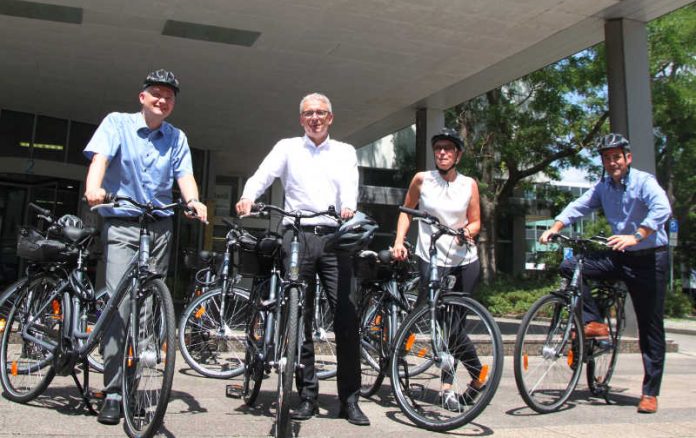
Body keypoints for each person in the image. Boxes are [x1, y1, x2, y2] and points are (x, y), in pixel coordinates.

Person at [235, 92, 368, 426]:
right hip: (296, 233)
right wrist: (248, 196)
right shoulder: (287, 147)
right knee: (299, 314)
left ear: (331, 118)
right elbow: (263, 174)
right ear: (301, 119)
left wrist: (348, 205)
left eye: (321, 113)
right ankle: (306, 395)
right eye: (308, 113)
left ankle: (349, 399)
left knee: (346, 316)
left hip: (335, 235)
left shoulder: (344, 151)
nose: (315, 118)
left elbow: (350, 184)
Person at [83, 69, 208, 426]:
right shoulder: (118, 123)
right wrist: (94, 188)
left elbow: (184, 175)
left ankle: (136, 388)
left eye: (168, 97)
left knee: (148, 306)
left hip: (159, 226)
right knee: (120, 305)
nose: (162, 100)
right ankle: (112, 391)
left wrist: (194, 201)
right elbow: (101, 160)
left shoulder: (176, 137)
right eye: (156, 93)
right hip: (123, 221)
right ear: (142, 97)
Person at [540, 133, 671, 415]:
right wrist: (556, 226)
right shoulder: (604, 187)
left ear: (628, 158)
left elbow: (663, 208)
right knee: (570, 265)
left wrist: (636, 236)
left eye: (617, 157)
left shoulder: (644, 182)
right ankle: (594, 321)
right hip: (619, 255)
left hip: (650, 258)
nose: (612, 163)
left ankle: (650, 392)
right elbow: (580, 205)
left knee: (650, 327)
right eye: (607, 158)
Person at [392, 127, 483, 409]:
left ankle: (468, 381)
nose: (442, 152)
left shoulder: (469, 184)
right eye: (438, 148)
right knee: (442, 325)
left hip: (464, 261)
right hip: (431, 258)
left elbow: (476, 222)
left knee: (454, 327)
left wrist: (467, 231)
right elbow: (406, 212)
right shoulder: (422, 179)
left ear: (458, 154)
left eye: (448, 148)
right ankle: (462, 382)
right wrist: (399, 241)